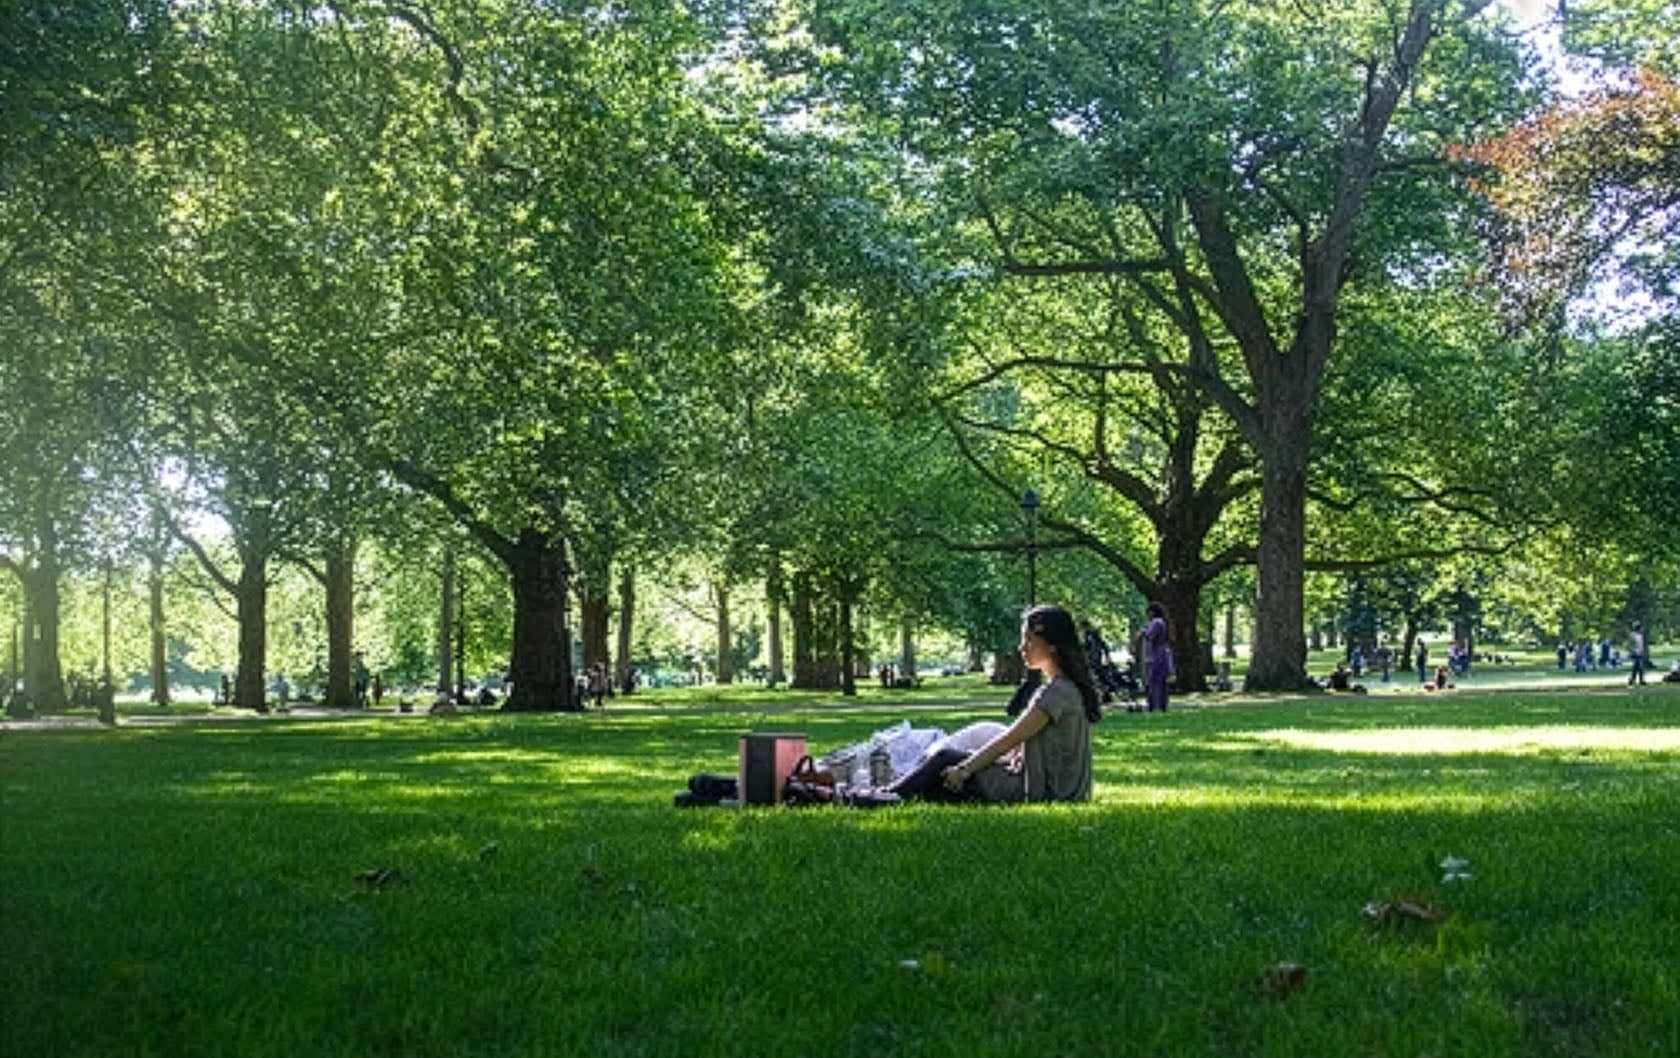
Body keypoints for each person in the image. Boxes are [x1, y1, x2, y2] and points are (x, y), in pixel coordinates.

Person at [890, 604, 1099, 804]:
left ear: (1052, 645)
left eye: (1029, 639)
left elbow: (1009, 739)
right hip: (1050, 789)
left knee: (945, 758)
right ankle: (890, 794)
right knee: (937, 784)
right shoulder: (1065, 689)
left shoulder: (1057, 693)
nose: (1022, 647)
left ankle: (886, 796)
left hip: (1039, 790)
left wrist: (965, 769)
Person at [1143, 601, 1172, 712]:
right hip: (1164, 654)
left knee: (1154, 681)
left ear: (1152, 612)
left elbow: (1149, 635)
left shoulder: (1156, 622)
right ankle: (1163, 705)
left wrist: (1143, 631)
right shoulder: (1163, 622)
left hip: (1156, 655)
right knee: (1163, 682)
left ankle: (1153, 705)